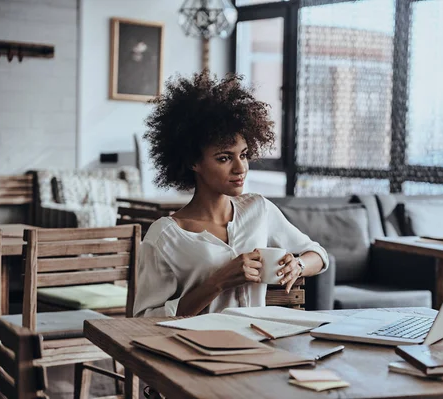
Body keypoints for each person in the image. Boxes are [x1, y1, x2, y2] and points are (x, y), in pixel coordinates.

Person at [133, 71, 329, 318]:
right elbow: (143, 318)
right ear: (193, 162)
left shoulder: (258, 209)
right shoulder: (165, 236)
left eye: (244, 155)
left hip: (257, 343)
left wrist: (298, 266)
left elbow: (319, 255)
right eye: (224, 158)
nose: (240, 168)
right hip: (197, 350)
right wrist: (217, 282)